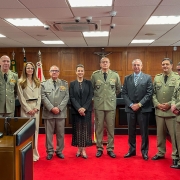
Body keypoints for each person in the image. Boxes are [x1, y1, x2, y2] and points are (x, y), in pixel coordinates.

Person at [121, 59, 153, 160]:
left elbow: (149, 93)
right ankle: (131, 150)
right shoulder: (127, 78)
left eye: (138, 65)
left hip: (143, 109)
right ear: (132, 66)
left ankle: (144, 151)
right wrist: (131, 104)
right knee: (131, 131)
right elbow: (124, 93)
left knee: (144, 132)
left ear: (142, 66)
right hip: (130, 109)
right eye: (134, 65)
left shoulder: (147, 78)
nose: (136, 67)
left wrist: (139, 104)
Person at [91, 57, 121, 158]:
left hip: (110, 105)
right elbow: (92, 88)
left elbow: (118, 89)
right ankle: (99, 148)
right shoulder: (95, 75)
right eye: (103, 62)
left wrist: (110, 98)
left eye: (106, 62)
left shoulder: (115, 75)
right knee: (99, 128)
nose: (105, 64)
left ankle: (110, 148)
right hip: (99, 105)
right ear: (100, 64)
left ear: (109, 63)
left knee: (110, 128)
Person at [152, 58, 179, 167]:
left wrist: (169, 104)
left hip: (172, 112)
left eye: (167, 64)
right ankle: (160, 152)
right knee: (160, 134)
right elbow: (153, 93)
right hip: (159, 111)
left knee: (174, 136)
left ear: (171, 65)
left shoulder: (177, 77)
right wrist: (157, 104)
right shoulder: (157, 78)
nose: (165, 66)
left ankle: (175, 156)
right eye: (163, 64)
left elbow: (177, 95)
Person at [41, 65, 69, 160]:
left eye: (56, 71)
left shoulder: (64, 84)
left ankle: (59, 151)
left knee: (60, 133)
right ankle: (50, 151)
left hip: (60, 113)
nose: (54, 72)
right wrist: (52, 108)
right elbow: (43, 97)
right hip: (49, 113)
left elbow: (66, 97)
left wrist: (59, 108)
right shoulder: (44, 84)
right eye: (52, 71)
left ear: (59, 72)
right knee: (49, 134)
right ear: (49, 72)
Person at [17, 62, 41, 162]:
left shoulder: (37, 81)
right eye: (28, 68)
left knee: (35, 131)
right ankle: (26, 154)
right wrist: (28, 109)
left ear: (34, 70)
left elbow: (40, 96)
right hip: (26, 108)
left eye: (31, 68)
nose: (30, 70)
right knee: (26, 131)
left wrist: (36, 108)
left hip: (35, 108)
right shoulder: (20, 81)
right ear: (25, 70)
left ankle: (34, 153)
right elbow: (20, 97)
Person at [69, 64, 93, 159]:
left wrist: (84, 108)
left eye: (81, 71)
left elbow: (90, 96)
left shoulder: (89, 83)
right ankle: (79, 148)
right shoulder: (72, 84)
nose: (80, 72)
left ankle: (84, 149)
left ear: (84, 72)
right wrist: (79, 108)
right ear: (76, 72)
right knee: (77, 130)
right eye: (78, 70)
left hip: (86, 111)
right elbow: (72, 97)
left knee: (85, 129)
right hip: (76, 111)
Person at [171, 83, 180, 169]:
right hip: (178, 114)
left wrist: (176, 107)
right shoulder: (178, 81)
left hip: (178, 110)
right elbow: (174, 96)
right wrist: (174, 106)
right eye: (178, 70)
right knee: (178, 139)